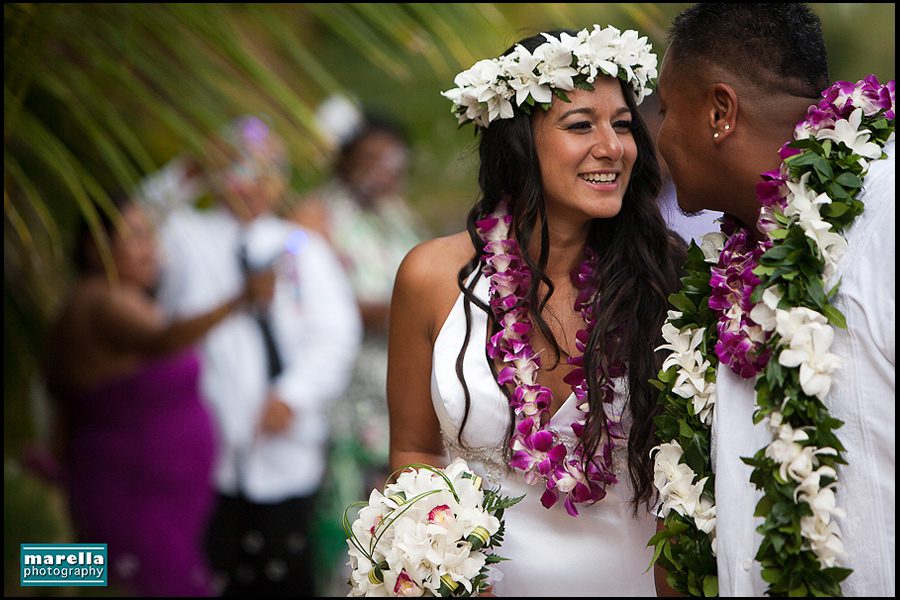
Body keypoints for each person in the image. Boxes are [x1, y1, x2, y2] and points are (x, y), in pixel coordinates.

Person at [387, 26, 685, 596]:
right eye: (581, 125)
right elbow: (415, 450)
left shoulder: (665, 278)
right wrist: (440, 575)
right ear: (521, 141)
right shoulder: (429, 278)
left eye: (623, 124)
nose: (613, 147)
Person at [654, 4, 894, 596]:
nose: (658, 138)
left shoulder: (885, 215)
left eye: (665, 110)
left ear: (719, 112)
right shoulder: (732, 267)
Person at [151, 116, 362, 596]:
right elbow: (138, 219)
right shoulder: (187, 237)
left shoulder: (298, 245)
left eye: (266, 173)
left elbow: (336, 331)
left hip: (287, 450)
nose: (251, 186)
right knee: (212, 569)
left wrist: (295, 393)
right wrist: (188, 171)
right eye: (239, 170)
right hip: (206, 446)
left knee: (285, 571)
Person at [43, 195, 265, 596]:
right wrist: (239, 300)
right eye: (135, 237)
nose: (150, 249)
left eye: (150, 236)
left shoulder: (128, 297)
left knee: (129, 580)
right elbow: (161, 341)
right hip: (127, 494)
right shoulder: (99, 300)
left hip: (160, 499)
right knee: (132, 583)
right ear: (96, 246)